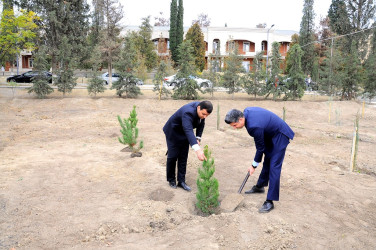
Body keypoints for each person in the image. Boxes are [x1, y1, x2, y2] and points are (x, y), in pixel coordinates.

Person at [224, 107, 294, 213]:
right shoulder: (246, 112)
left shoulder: (253, 126)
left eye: (234, 125)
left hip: (280, 135)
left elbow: (260, 148)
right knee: (268, 159)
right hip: (270, 134)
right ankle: (260, 186)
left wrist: (253, 165)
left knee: (274, 166)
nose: (234, 128)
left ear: (241, 119)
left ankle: (270, 201)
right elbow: (261, 146)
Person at [163, 101, 213, 192]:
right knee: (173, 156)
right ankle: (171, 180)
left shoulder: (202, 109)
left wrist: (198, 138)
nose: (204, 117)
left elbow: (201, 124)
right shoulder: (188, 112)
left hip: (184, 133)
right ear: (198, 108)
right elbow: (188, 130)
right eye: (203, 114)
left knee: (183, 156)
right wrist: (198, 150)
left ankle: (181, 181)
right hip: (173, 132)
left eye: (207, 115)